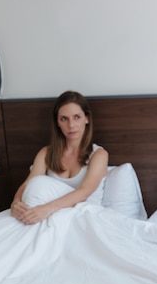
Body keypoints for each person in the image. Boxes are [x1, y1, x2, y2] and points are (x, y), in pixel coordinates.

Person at [10, 90, 108, 225]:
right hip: (47, 216)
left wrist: (47, 209)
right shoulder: (46, 153)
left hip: (84, 217)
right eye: (64, 119)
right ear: (57, 122)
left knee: (37, 187)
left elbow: (85, 191)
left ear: (87, 119)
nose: (71, 125)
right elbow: (28, 184)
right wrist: (16, 202)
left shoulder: (99, 155)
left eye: (76, 117)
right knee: (33, 188)